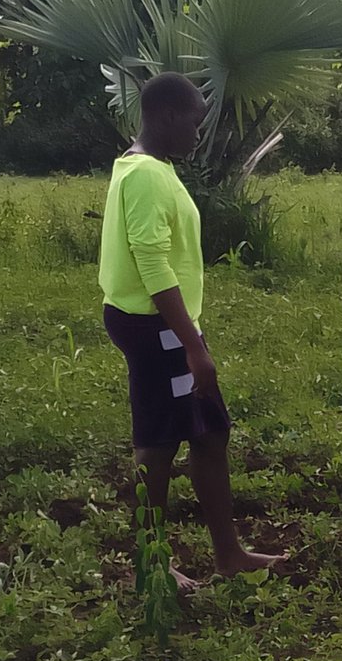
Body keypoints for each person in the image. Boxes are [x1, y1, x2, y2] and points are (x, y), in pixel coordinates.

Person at [99, 73, 281, 589]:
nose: (199, 135)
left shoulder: (150, 168)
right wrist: (193, 346)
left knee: (210, 432)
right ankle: (151, 564)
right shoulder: (145, 175)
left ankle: (229, 554)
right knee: (158, 442)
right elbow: (152, 263)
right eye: (195, 123)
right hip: (156, 328)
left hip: (170, 327)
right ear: (167, 116)